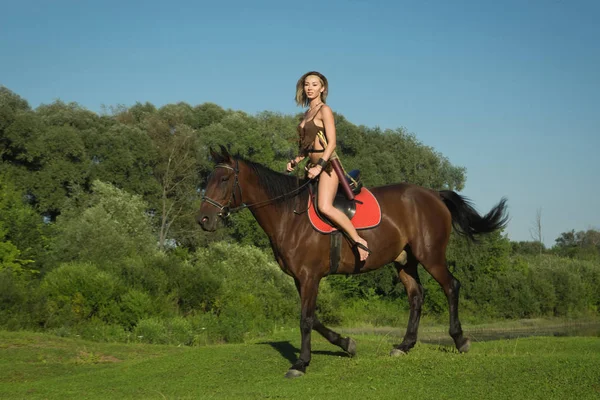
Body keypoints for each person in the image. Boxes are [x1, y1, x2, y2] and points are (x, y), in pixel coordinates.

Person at [286, 71, 371, 261]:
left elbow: (331, 143)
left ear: (322, 88)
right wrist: (296, 161)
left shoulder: (325, 110)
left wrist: (319, 166)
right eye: (307, 84)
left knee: (324, 206)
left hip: (328, 166)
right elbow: (307, 147)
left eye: (314, 84)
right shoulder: (307, 113)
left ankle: (359, 241)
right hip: (312, 166)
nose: (310, 88)